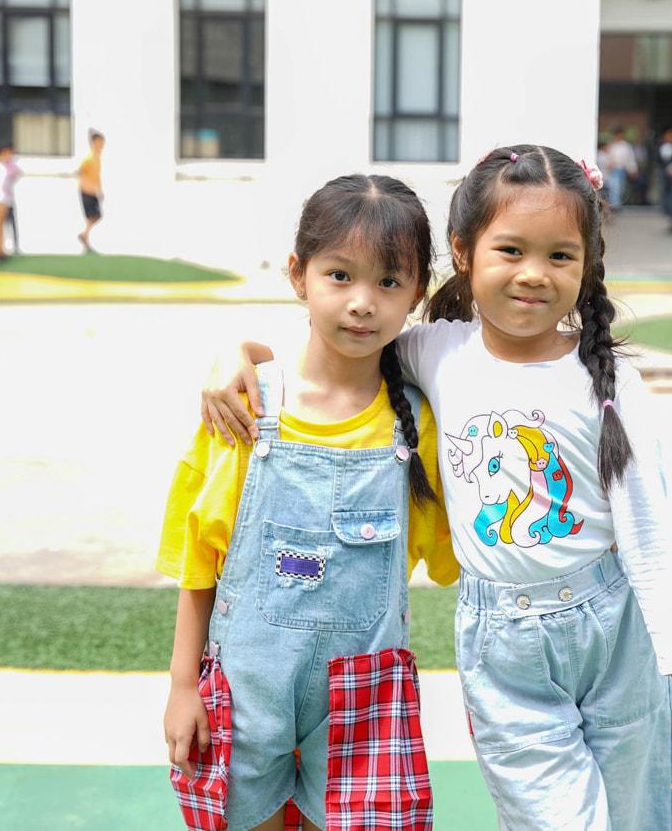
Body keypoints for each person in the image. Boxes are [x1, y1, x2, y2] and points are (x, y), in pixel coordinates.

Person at [203, 146, 672, 830]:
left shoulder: (612, 385)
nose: (533, 275)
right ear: (464, 252)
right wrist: (239, 356)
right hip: (503, 652)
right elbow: (346, 336)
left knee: (642, 819)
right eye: (510, 250)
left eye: (560, 256)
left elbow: (650, 543)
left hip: (615, 634)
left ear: (588, 264)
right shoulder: (437, 351)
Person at [160, 174, 458, 831]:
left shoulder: (419, 425)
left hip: (365, 705)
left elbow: (459, 553)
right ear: (299, 274)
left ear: (416, 292)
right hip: (247, 690)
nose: (362, 302)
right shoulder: (245, 407)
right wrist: (183, 685)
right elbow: (199, 560)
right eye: (339, 275)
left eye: (388, 281)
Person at [77, 129, 105, 253]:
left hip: (94, 192)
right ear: (93, 143)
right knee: (91, 215)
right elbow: (80, 173)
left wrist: (99, 190)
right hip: (86, 191)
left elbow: (97, 177)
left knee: (97, 216)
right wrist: (87, 187)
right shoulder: (88, 160)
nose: (101, 146)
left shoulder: (98, 159)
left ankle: (85, 236)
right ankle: (85, 239)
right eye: (99, 143)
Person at [605, 127, 638, 210]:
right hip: (613, 170)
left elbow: (630, 158)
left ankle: (617, 204)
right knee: (614, 187)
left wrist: (632, 169)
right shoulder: (612, 145)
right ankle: (615, 206)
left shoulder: (626, 146)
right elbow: (607, 157)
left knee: (620, 188)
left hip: (622, 169)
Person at [0, 143, 21, 255]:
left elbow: (15, 172)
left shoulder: (6, 166)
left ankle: (0, 250)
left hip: (3, 199)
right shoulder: (2, 166)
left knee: (0, 225)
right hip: (1, 198)